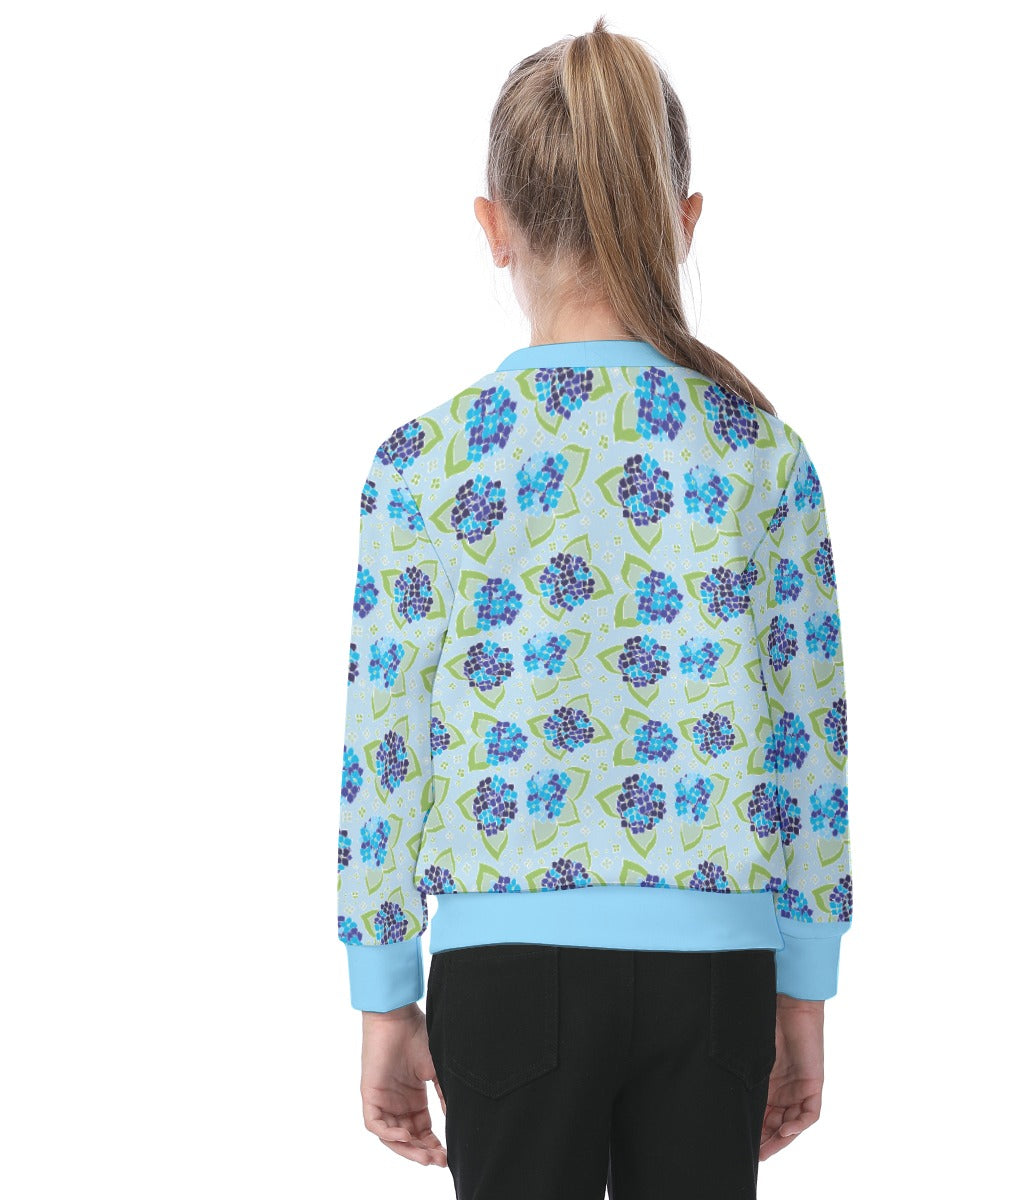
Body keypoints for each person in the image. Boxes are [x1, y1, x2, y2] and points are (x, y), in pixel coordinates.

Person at [335, 16, 853, 1199]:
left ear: (494, 226)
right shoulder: (760, 454)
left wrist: (384, 993)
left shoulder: (426, 463)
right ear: (683, 221)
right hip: (716, 973)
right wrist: (805, 987)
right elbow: (810, 742)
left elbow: (385, 752)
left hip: (505, 969)